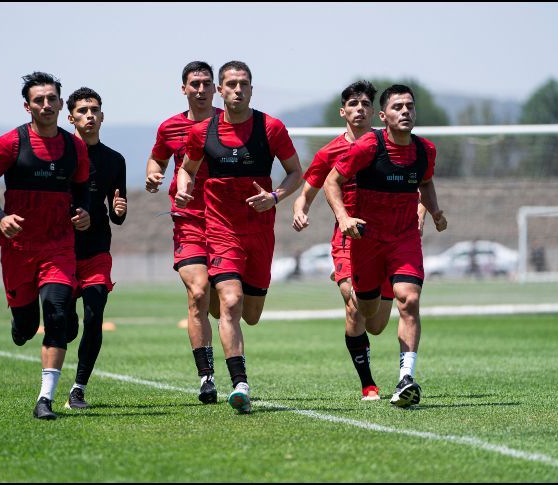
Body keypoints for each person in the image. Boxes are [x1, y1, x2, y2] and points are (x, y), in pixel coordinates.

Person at [175, 60, 303, 413]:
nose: (237, 89)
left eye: (243, 83)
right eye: (230, 84)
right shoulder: (202, 131)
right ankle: (240, 384)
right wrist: (184, 190)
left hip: (260, 233)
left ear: (251, 88)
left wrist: (274, 197)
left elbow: (296, 173)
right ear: (220, 90)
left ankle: (221, 301)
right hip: (221, 231)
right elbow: (187, 170)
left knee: (251, 313)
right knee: (230, 302)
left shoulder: (271, 128)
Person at [0, 72, 91, 420]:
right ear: (28, 106)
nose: (46, 104)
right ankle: (20, 323)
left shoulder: (74, 147)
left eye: (51, 98)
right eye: (38, 100)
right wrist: (0, 217)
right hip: (19, 250)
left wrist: (83, 211)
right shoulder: (11, 143)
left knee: (55, 314)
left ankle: (45, 399)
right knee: (26, 328)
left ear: (59, 102)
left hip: (59, 246)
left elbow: (82, 188)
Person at [324, 84, 447, 408]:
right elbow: (331, 181)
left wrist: (433, 211)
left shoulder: (425, 151)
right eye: (397, 107)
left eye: (410, 106)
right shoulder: (368, 147)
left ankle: (406, 377)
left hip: (404, 239)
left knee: (410, 300)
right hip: (366, 242)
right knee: (370, 319)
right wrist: (344, 217)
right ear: (384, 115)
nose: (405, 111)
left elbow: (425, 181)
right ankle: (370, 370)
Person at [292, 81, 393, 401]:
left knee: (376, 324)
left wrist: (420, 211)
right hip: (348, 241)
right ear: (343, 111)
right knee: (354, 307)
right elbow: (305, 195)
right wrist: (300, 212)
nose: (359, 108)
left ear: (374, 111)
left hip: (387, 240)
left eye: (365, 103)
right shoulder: (329, 152)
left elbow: (412, 183)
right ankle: (368, 384)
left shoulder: (390, 145)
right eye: (353, 103)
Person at [145, 61, 222, 404]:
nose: (201, 89)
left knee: (227, 305)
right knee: (197, 292)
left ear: (216, 88)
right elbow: (157, 160)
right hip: (188, 218)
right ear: (184, 88)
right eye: (195, 83)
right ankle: (206, 377)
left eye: (207, 83)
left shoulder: (230, 124)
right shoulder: (170, 127)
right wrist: (152, 175)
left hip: (228, 222)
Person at [63, 87, 127, 409]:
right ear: (70, 116)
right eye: (83, 110)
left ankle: (78, 388)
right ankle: (65, 322)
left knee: (94, 315)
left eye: (95, 110)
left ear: (102, 116)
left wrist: (119, 210)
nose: (90, 115)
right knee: (65, 323)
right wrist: (73, 216)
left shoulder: (115, 160)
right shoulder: (60, 155)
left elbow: (118, 216)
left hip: (97, 249)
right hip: (61, 252)